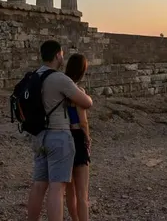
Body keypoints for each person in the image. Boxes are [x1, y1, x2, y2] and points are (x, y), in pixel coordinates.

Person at [26, 41, 94, 221]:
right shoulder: (59, 79)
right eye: (62, 54)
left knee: (39, 185)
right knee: (57, 187)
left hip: (39, 135)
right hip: (58, 136)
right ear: (57, 55)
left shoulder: (35, 76)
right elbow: (86, 103)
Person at [64, 54, 91, 221]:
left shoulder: (61, 90)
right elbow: (83, 122)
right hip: (77, 138)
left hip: (62, 136)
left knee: (69, 191)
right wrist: (88, 139)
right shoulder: (78, 92)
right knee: (82, 193)